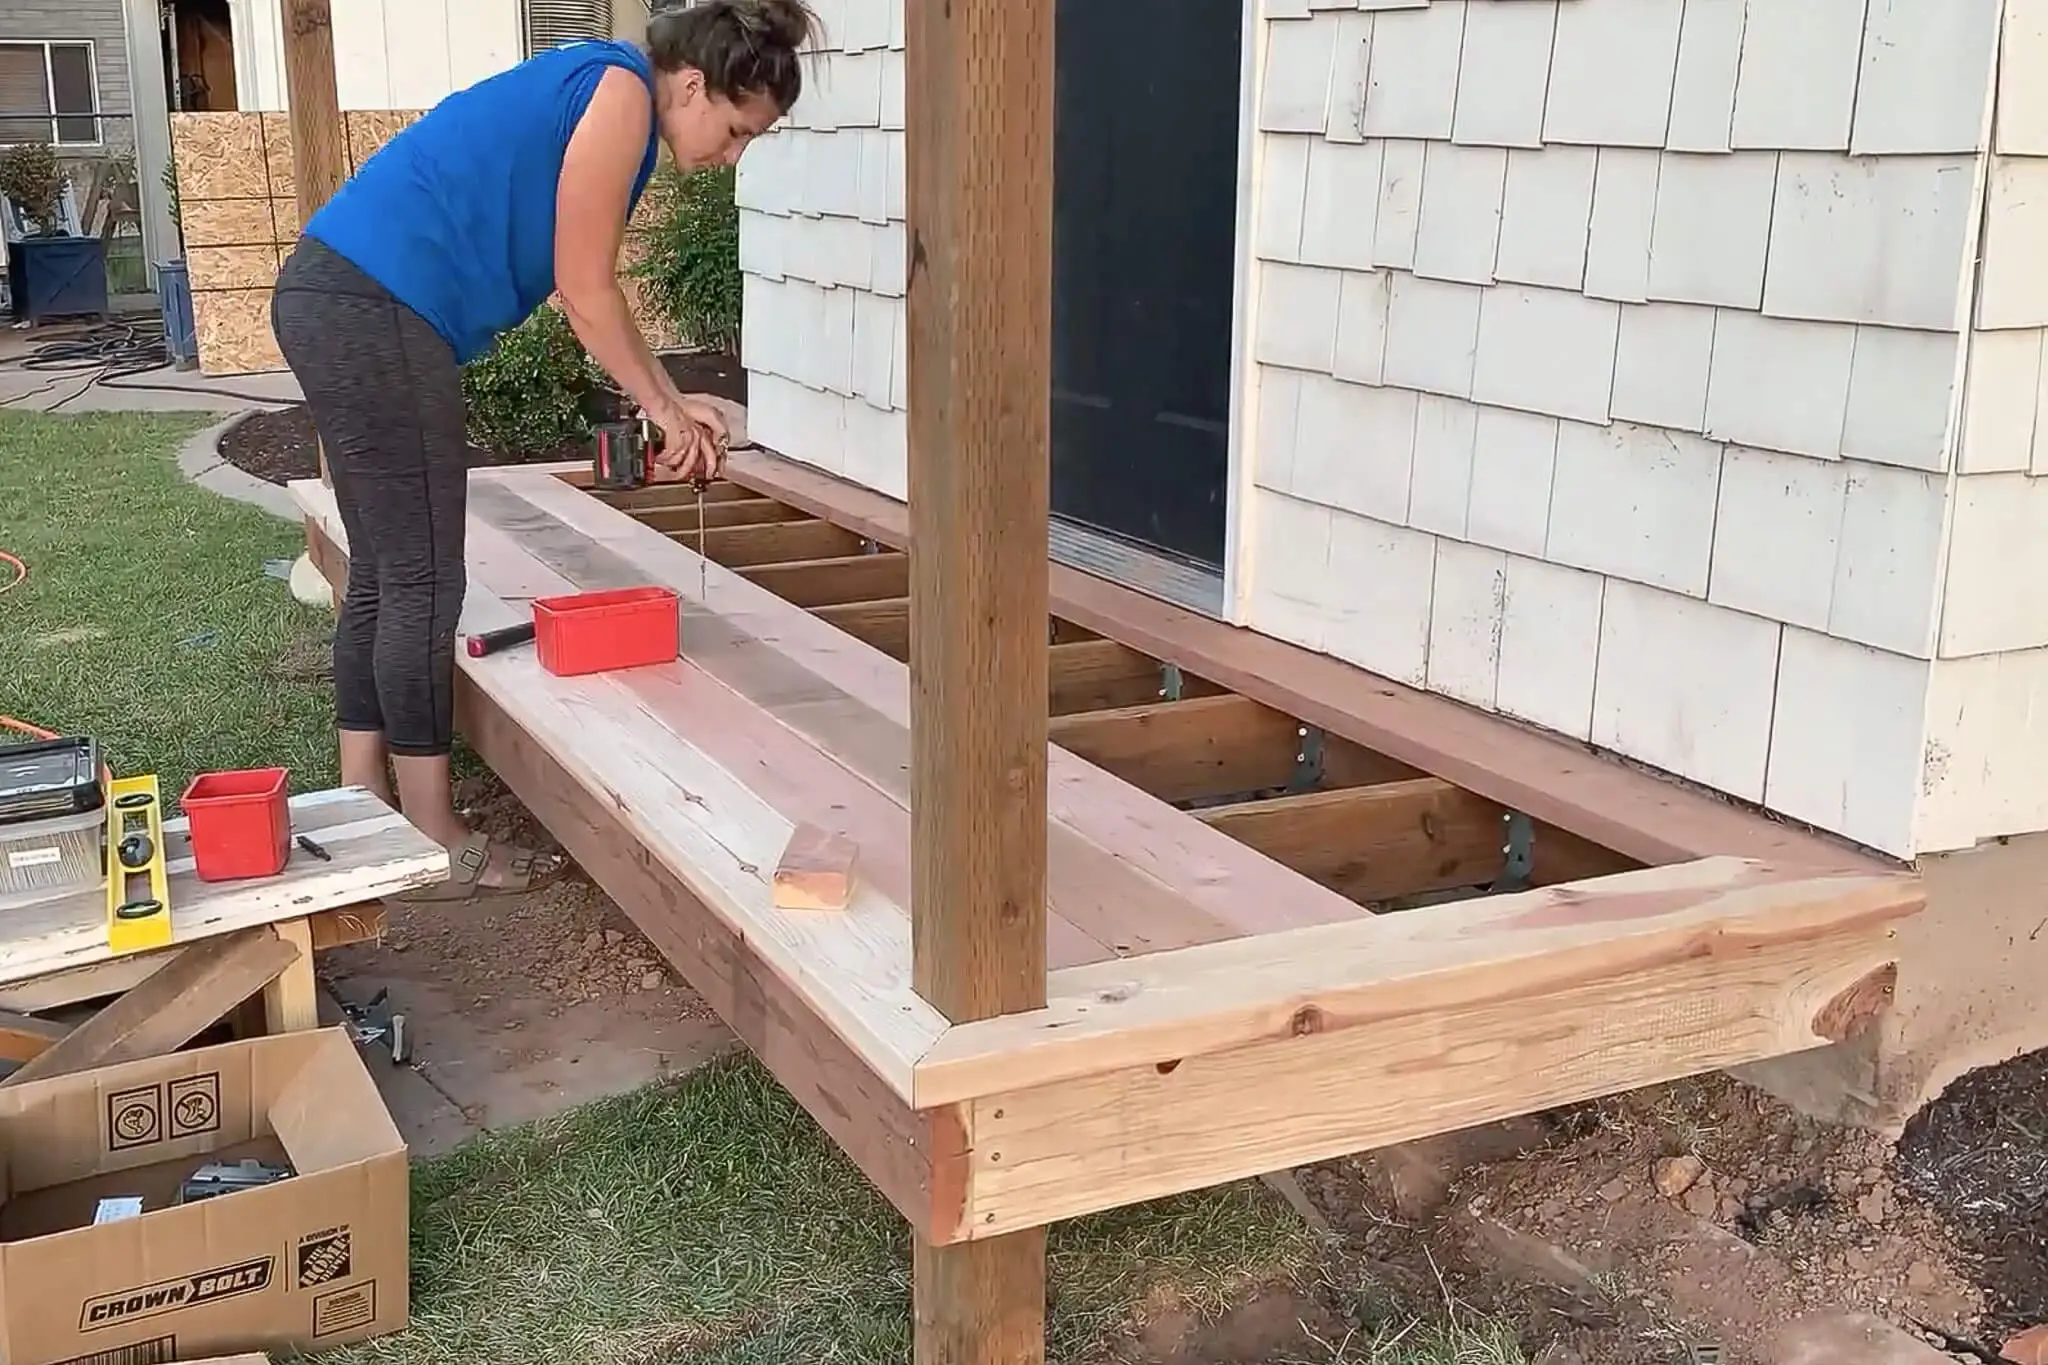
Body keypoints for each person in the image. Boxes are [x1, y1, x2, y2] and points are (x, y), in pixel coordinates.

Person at [271, 0, 817, 903]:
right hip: (377, 308)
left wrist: (673, 400)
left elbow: (586, 291)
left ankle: (362, 804)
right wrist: (667, 415)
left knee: (384, 572)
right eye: (733, 131)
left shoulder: (603, 85)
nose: (730, 159)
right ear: (691, 84)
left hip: (335, 294)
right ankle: (437, 838)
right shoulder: (620, 95)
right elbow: (584, 287)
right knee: (423, 581)